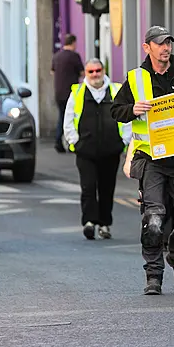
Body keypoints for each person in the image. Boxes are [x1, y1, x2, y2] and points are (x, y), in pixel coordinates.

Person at [111, 26, 174, 295]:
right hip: (152, 160)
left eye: (168, 43)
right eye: (160, 44)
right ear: (147, 47)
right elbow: (116, 110)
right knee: (154, 220)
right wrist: (132, 109)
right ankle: (153, 276)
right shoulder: (136, 79)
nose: (166, 48)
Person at [64, 58, 130, 240]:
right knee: (88, 187)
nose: (95, 74)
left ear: (103, 70)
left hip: (111, 150)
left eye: (98, 70)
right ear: (86, 73)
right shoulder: (77, 92)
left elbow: (126, 118)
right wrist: (74, 142)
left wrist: (124, 141)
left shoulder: (116, 90)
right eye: (91, 71)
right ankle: (89, 222)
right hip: (85, 151)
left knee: (107, 189)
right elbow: (68, 119)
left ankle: (104, 223)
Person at [51, 34, 84, 153]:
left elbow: (52, 71)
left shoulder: (57, 56)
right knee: (72, 118)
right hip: (71, 92)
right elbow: (82, 73)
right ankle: (71, 143)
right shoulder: (74, 56)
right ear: (73, 43)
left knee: (62, 117)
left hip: (58, 92)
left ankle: (58, 142)